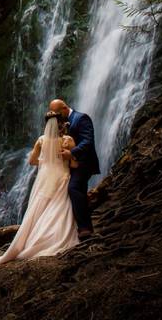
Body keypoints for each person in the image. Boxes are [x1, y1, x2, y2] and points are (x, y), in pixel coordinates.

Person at [0, 110, 79, 265]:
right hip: (61, 176)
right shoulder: (68, 140)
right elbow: (75, 163)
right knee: (60, 207)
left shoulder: (41, 140)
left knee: (39, 209)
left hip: (45, 177)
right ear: (61, 123)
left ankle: (32, 240)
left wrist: (46, 162)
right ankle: (54, 238)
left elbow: (32, 161)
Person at [48, 98, 99, 238]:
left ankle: (85, 229)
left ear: (64, 108)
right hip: (67, 165)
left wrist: (72, 153)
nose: (55, 117)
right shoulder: (61, 121)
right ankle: (66, 230)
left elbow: (88, 141)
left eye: (57, 113)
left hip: (83, 163)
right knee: (65, 191)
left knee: (74, 188)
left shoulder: (81, 118)